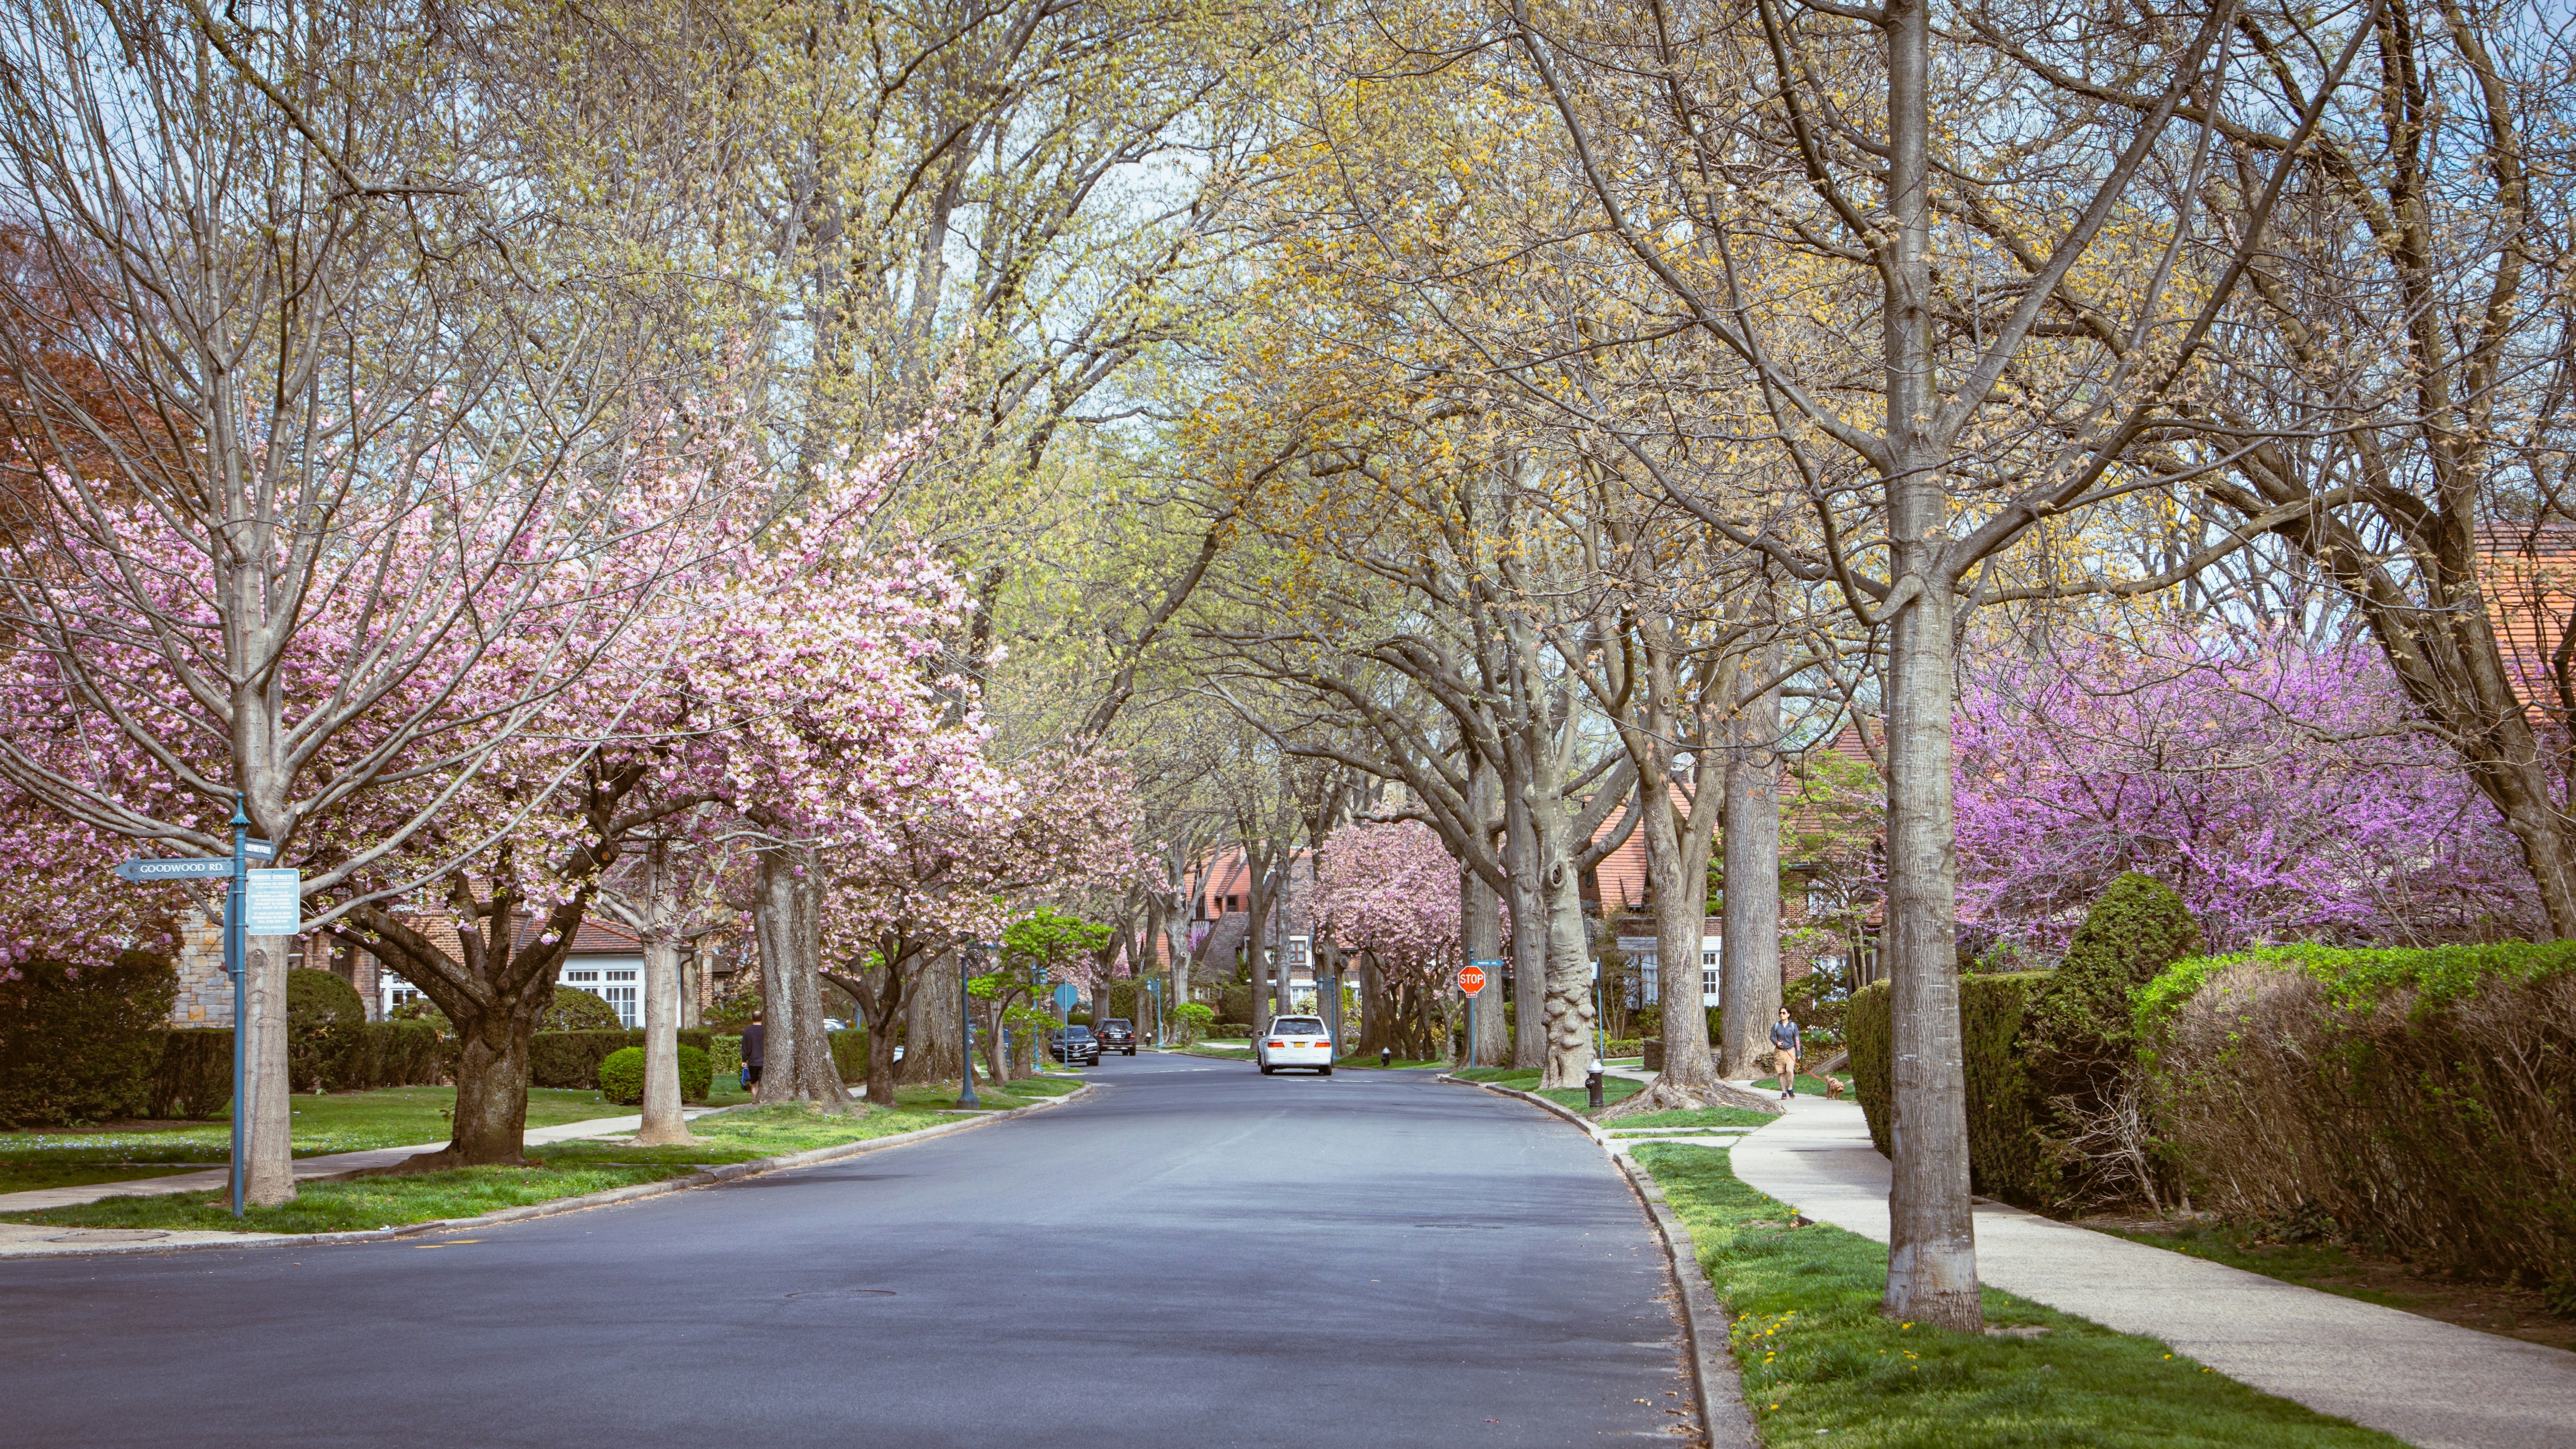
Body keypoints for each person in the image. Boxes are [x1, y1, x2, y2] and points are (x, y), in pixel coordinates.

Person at [1770, 1006, 1801, 1100]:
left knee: (1790, 1071)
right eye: (1780, 1013)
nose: (1781, 1014)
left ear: (1788, 1015)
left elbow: (1797, 1039)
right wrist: (1777, 1042)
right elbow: (1772, 1037)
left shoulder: (1792, 1026)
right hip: (1779, 1051)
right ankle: (1784, 1093)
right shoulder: (1776, 1026)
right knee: (1782, 1073)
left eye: (1784, 1013)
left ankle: (1790, 1088)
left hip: (1790, 1050)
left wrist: (1798, 1052)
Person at [739, 1013, 765, 1091]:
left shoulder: (747, 1031)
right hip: (764, 1062)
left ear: (752, 1018)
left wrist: (744, 1060)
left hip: (753, 1062)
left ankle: (755, 1101)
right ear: (762, 1018)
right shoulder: (767, 1030)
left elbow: (745, 1047)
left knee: (754, 1084)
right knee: (764, 1084)